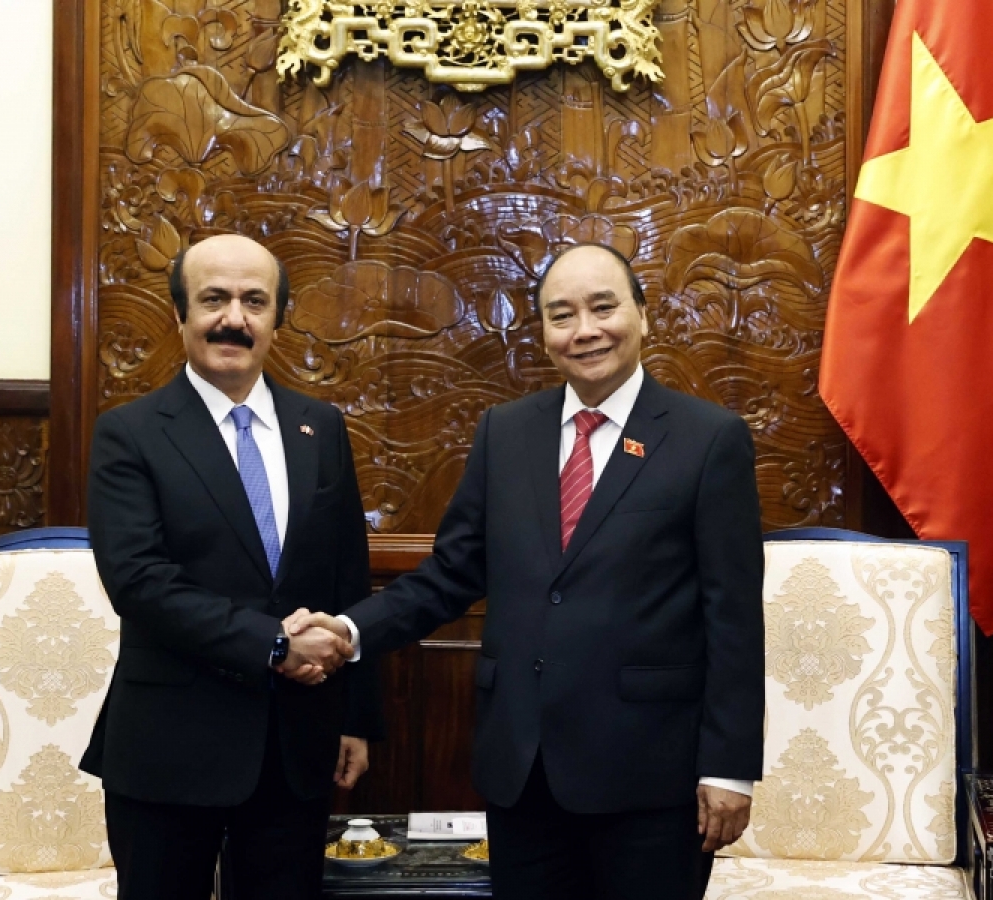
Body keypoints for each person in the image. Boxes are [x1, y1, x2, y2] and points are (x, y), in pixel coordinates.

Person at [292, 243, 765, 900]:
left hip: (651, 776)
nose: (584, 330)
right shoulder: (506, 432)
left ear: (643, 314)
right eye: (562, 315)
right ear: (543, 333)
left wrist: (729, 768)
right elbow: (451, 574)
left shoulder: (708, 438)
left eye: (603, 308)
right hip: (523, 770)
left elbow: (733, 614)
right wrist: (348, 630)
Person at [80, 234, 384, 900]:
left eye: (254, 301)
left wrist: (356, 716)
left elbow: (347, 576)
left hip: (295, 746)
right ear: (180, 314)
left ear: (277, 318)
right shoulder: (129, 433)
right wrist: (274, 644)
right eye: (214, 299)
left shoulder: (320, 427)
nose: (233, 319)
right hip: (170, 746)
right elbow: (138, 581)